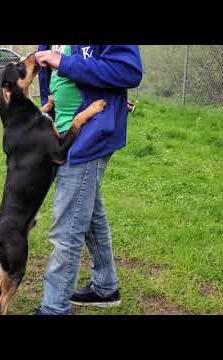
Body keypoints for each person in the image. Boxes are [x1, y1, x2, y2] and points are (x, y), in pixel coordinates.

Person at [33, 45, 143, 315]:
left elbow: (128, 70)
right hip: (61, 137)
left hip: (88, 138)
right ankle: (106, 288)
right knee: (90, 212)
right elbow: (52, 79)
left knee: (67, 225)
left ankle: (54, 308)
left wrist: (63, 62)